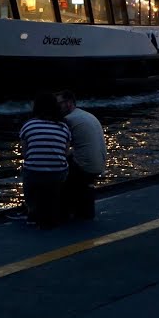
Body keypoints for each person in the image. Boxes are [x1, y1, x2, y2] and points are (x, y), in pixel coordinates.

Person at [18, 92, 71, 229]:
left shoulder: (28, 125)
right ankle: (52, 209)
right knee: (58, 174)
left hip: (34, 173)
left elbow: (25, 154)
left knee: (28, 169)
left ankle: (32, 211)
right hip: (57, 174)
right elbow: (65, 154)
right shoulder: (64, 127)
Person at [57, 90, 106, 221]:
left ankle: (62, 211)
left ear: (68, 103)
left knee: (56, 168)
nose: (57, 107)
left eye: (59, 104)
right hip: (99, 165)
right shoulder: (86, 115)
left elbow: (62, 148)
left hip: (85, 168)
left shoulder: (68, 120)